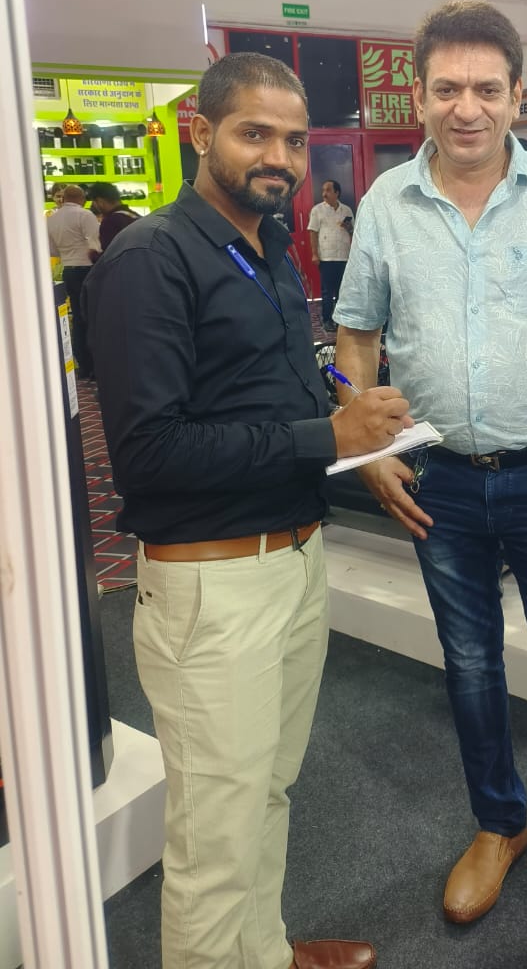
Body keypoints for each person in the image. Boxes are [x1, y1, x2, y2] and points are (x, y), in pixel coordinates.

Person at [334, 0, 527, 969]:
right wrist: (369, 446)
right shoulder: (386, 201)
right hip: (438, 483)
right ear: (419, 95)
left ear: (517, 94)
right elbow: (355, 334)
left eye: (484, 88)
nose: (464, 107)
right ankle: (500, 824)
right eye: (446, 88)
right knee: (468, 670)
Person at [84, 52, 413, 969]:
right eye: (254, 133)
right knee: (212, 845)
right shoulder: (151, 259)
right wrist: (328, 437)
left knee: (268, 790)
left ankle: (263, 954)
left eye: (295, 141)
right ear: (202, 133)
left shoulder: (265, 245)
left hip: (293, 562)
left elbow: (261, 387)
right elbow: (150, 453)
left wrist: (352, 421)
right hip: (212, 589)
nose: (279, 156)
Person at [47, 182, 100, 379]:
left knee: (78, 318)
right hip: (88, 270)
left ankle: (83, 365)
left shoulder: (52, 219)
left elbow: (52, 250)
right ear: (81, 198)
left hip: (68, 270)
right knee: (94, 317)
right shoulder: (85, 215)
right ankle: (96, 366)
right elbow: (95, 244)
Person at [307, 179, 353, 331]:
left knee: (342, 291)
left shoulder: (346, 210)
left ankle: (340, 320)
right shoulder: (317, 210)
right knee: (327, 292)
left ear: (336, 193)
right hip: (326, 257)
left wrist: (348, 227)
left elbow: (353, 232)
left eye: (328, 190)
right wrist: (315, 254)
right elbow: (313, 233)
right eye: (323, 190)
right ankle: (327, 320)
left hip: (344, 256)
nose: (324, 194)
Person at [87, 181, 140, 252]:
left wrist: (94, 255)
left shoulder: (110, 222)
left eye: (94, 202)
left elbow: (110, 253)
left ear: (100, 201)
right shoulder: (135, 216)